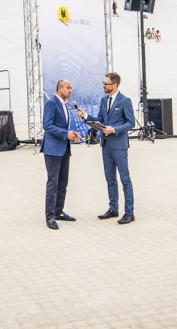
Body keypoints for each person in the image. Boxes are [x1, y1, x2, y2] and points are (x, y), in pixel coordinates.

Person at [78, 72, 137, 224]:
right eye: (103, 83)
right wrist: (85, 116)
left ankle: (129, 213)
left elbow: (131, 123)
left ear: (114, 85)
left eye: (105, 84)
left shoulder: (125, 101)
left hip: (119, 145)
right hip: (106, 145)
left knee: (125, 179)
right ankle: (113, 209)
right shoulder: (104, 100)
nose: (103, 86)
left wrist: (114, 129)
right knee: (110, 178)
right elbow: (100, 120)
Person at [41, 79, 81, 229]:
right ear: (59, 88)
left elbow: (62, 126)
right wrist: (66, 134)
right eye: (68, 88)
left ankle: (59, 211)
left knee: (63, 183)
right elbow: (47, 125)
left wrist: (71, 134)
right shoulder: (51, 103)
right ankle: (50, 217)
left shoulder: (65, 104)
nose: (70, 90)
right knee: (53, 183)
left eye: (71, 88)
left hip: (64, 148)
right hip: (52, 150)